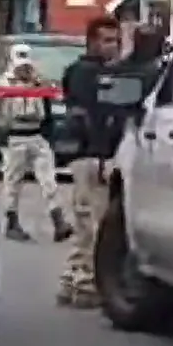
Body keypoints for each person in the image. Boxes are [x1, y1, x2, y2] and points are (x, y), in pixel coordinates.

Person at [56, 16, 124, 309]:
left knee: (87, 222)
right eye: (107, 40)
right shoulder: (87, 74)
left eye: (117, 41)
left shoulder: (98, 73)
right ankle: (83, 283)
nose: (113, 47)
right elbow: (90, 115)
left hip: (91, 155)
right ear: (93, 41)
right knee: (91, 223)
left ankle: (71, 279)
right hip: (91, 156)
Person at [0, 43, 70, 243]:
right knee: (13, 183)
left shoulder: (38, 82)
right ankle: (11, 222)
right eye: (20, 65)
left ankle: (59, 222)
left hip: (37, 135)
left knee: (48, 180)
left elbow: (53, 99)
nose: (23, 69)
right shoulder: (2, 84)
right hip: (15, 136)